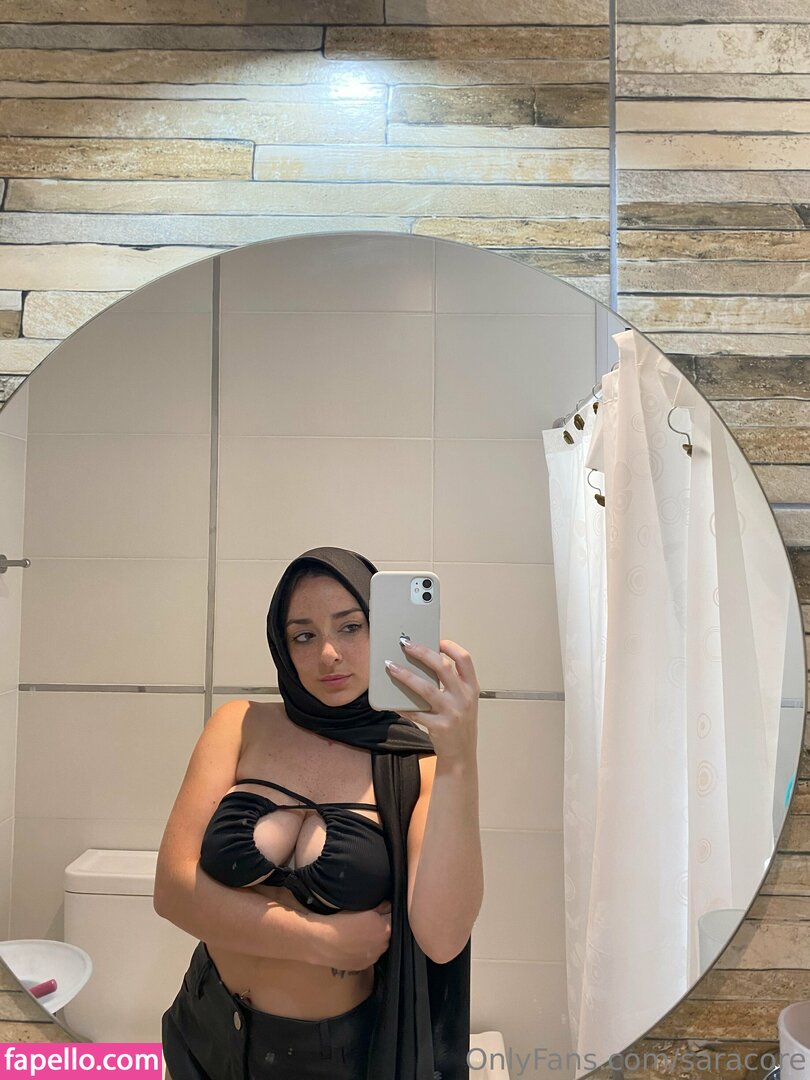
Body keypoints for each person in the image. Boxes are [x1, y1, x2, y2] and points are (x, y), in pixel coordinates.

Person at [156, 546, 483, 1079]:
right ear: (282, 646)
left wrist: (459, 757)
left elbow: (442, 940)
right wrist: (317, 939)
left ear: (383, 629)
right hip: (205, 1025)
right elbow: (172, 891)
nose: (329, 654)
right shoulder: (240, 724)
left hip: (327, 1058)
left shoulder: (416, 764)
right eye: (304, 636)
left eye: (350, 627)